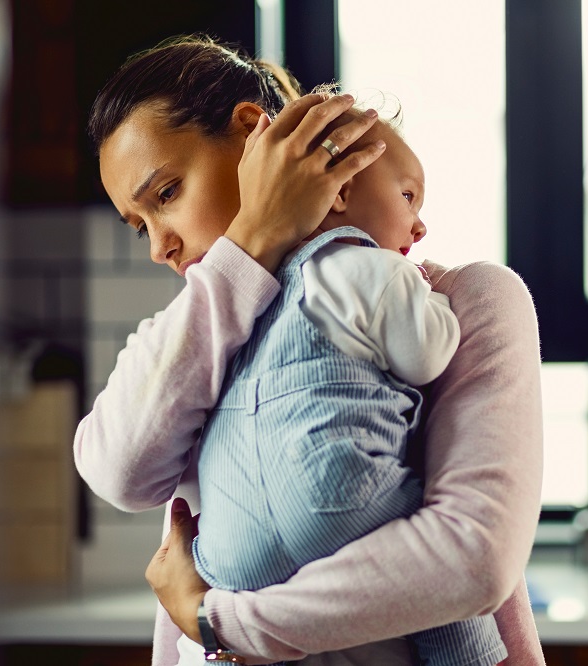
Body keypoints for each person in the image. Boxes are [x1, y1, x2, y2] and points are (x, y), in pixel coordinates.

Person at [76, 35, 545, 664]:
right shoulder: (181, 334)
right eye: (140, 226)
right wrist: (250, 247)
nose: (158, 246)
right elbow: (123, 473)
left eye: (166, 195)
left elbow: (472, 562)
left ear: (250, 132)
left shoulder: (458, 301)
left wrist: (218, 621)